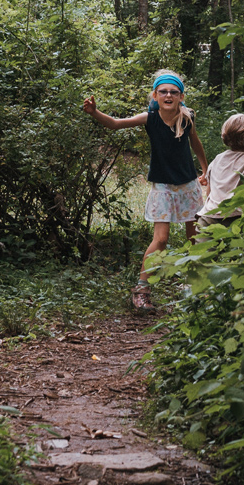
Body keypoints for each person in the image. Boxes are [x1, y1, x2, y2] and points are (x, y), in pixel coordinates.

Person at [82, 69, 208, 309]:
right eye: (163, 92)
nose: (168, 95)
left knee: (195, 238)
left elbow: (195, 142)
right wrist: (95, 112)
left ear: (181, 96)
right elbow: (117, 124)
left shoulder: (187, 116)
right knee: (160, 240)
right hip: (163, 186)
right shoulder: (150, 117)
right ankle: (141, 290)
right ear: (155, 95)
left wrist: (205, 170)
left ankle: (195, 285)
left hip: (189, 185)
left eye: (173, 91)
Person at [197, 113, 244, 228]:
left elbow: (209, 193)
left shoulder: (217, 158)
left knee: (206, 246)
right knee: (234, 245)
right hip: (233, 218)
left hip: (207, 217)